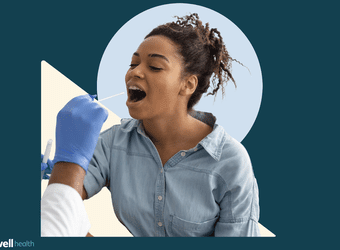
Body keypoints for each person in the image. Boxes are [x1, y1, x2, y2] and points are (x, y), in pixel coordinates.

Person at [42, 13, 260, 237]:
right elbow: (61, 207)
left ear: (188, 84)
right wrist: (65, 163)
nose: (134, 72)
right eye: (133, 63)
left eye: (155, 66)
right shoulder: (112, 143)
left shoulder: (231, 162)